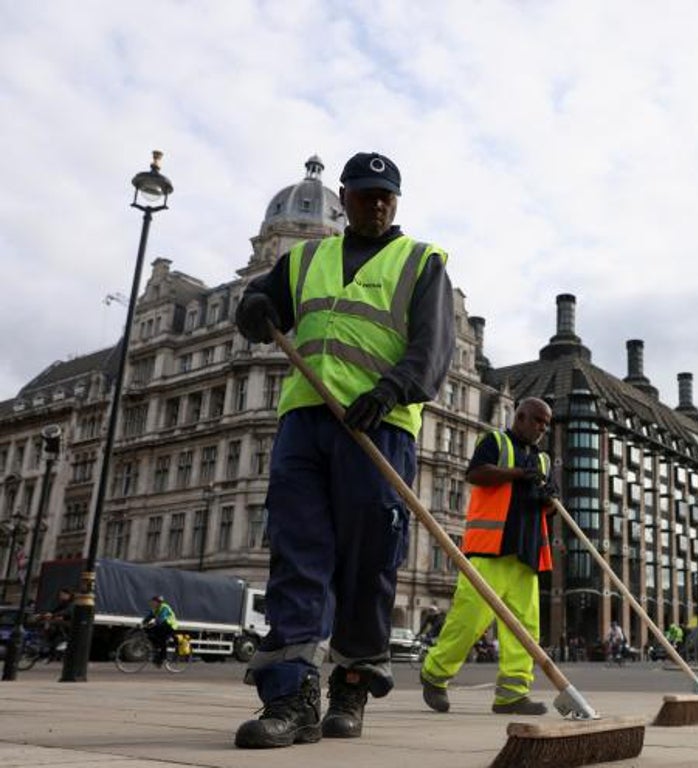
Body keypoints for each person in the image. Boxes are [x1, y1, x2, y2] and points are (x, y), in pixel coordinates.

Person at [232, 151, 455, 749]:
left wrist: (388, 392)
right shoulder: (306, 258)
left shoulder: (422, 262)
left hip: (379, 427)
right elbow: (258, 306)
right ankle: (290, 697)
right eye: (363, 195)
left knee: (368, 562)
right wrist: (253, 308)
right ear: (345, 196)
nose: (376, 204)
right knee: (297, 551)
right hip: (306, 421)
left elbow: (433, 350)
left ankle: (351, 686)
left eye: (386, 196)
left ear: (397, 201)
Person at [420, 398, 557, 716]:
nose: (542, 429)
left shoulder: (545, 461)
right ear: (520, 417)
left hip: (526, 555)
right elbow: (476, 474)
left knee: (525, 630)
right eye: (538, 421)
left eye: (546, 424)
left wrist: (548, 499)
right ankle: (435, 675)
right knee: (469, 621)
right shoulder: (495, 441)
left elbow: (549, 509)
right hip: (490, 550)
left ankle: (512, 694)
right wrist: (519, 474)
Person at [36, 587, 74, 657]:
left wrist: (53, 615)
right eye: (60, 595)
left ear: (68, 595)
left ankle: (63, 640)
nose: (60, 596)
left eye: (62, 595)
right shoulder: (63, 604)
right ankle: (50, 640)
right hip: (62, 623)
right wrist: (42, 615)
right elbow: (54, 610)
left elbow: (67, 612)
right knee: (46, 623)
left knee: (51, 623)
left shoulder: (72, 604)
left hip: (70, 623)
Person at [143, 595, 178, 667]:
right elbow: (149, 617)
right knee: (150, 632)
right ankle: (157, 650)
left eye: (153, 602)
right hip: (162, 625)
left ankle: (163, 657)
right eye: (152, 602)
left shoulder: (164, 607)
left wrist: (153, 623)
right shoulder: (155, 609)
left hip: (170, 625)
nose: (152, 603)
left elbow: (162, 618)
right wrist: (144, 623)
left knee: (162, 639)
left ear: (158, 602)